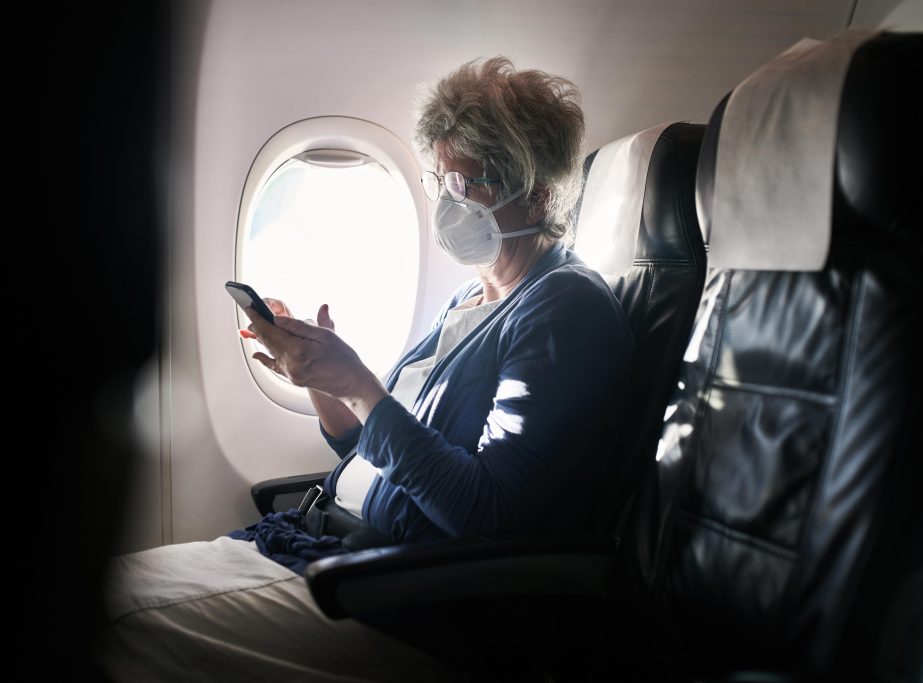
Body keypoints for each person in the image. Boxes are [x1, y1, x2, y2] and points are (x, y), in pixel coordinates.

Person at [93, 57, 633, 681]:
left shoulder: (566, 309)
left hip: (403, 601)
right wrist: (325, 382)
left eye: (465, 186)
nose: (444, 205)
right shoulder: (473, 298)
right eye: (438, 182)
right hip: (324, 548)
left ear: (536, 191)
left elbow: (488, 512)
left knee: (103, 617)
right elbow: (374, 449)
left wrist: (358, 383)